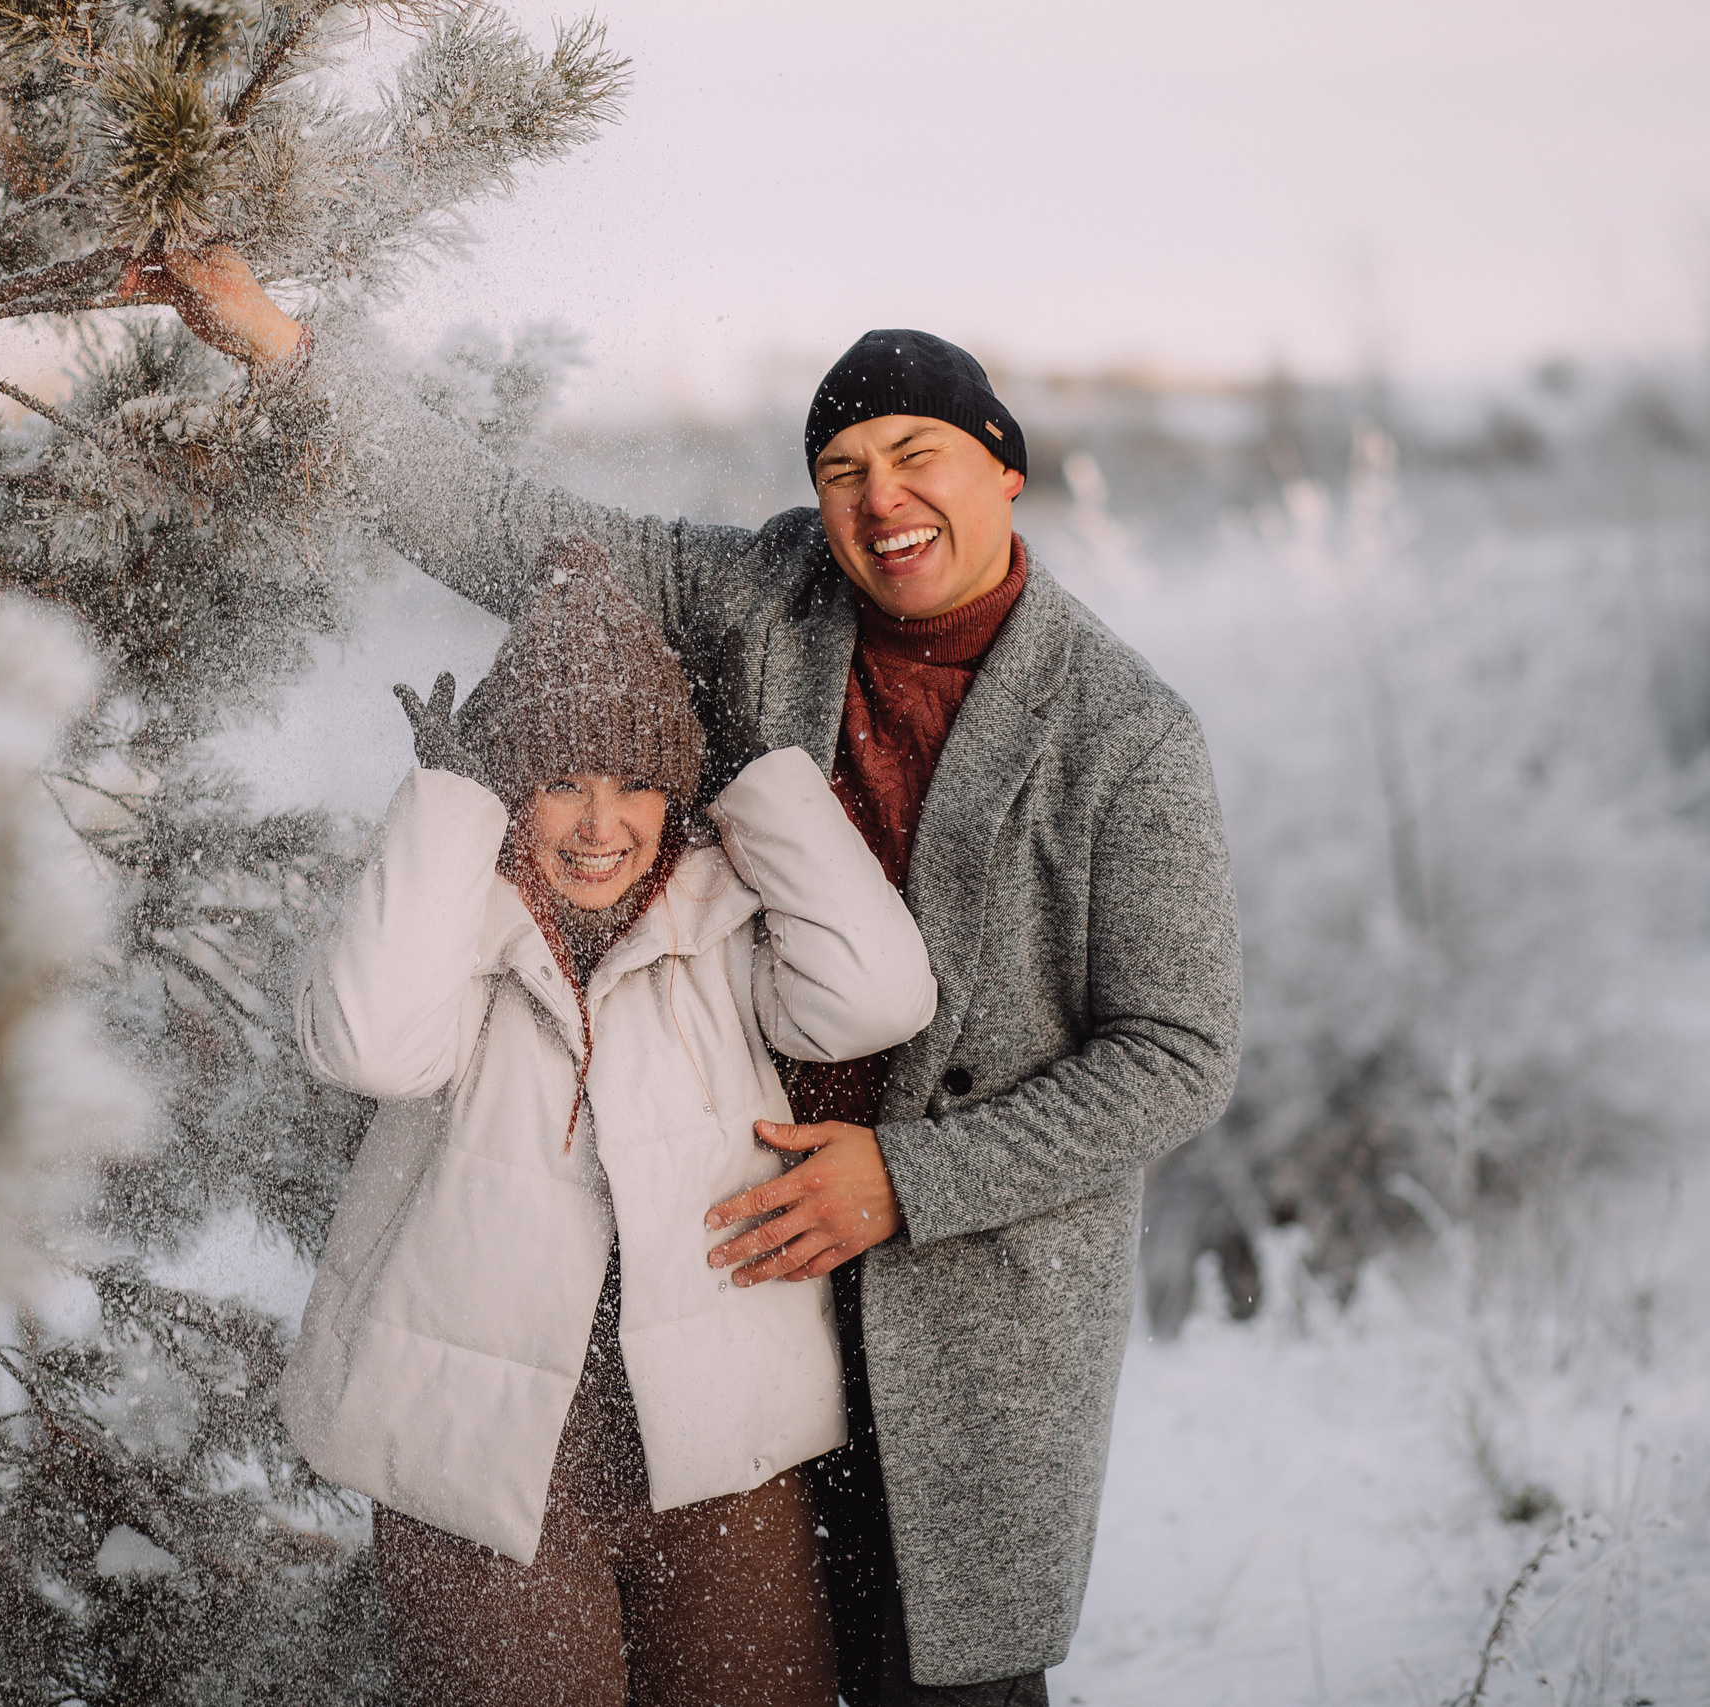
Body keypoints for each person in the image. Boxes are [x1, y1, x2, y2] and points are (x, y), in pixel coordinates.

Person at [134, 253, 1243, 1704]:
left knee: (944, 1684)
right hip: (722, 1268)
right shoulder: (765, 597)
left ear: (1004, 468)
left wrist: (911, 1177)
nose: (880, 501)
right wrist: (290, 357)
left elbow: (1176, 1050)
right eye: (842, 469)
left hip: (958, 1291)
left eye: (919, 458)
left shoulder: (1123, 733)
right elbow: (504, 524)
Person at [286, 537, 939, 1707]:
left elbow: (881, 994)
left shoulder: (721, 923)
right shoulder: (452, 917)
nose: (601, 825)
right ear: (507, 787)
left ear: (679, 789)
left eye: (637, 780)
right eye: (561, 779)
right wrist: (446, 802)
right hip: (479, 1470)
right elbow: (367, 1046)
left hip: (721, 1452)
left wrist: (760, 775)